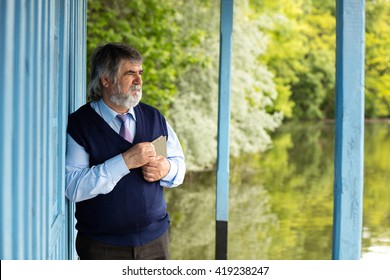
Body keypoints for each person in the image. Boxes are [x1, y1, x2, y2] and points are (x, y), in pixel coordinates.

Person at [65, 42, 185, 260]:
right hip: (102, 247)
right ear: (106, 79)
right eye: (130, 73)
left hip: (156, 243)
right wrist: (125, 161)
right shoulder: (80, 124)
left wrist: (166, 169)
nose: (139, 80)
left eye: (140, 73)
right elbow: (73, 186)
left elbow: (179, 167)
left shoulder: (154, 116)